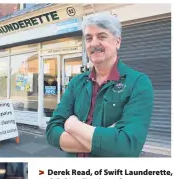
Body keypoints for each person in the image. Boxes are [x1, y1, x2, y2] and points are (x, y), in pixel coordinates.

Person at [45, 13, 153, 157]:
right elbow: (52, 131)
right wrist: (107, 143)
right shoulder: (76, 82)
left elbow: (127, 145)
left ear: (117, 42)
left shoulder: (138, 83)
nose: (94, 43)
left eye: (102, 36)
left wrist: (73, 126)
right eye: (89, 38)